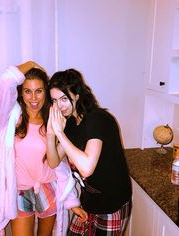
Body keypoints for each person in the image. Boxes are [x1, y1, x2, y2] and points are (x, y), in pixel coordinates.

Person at [0, 61, 87, 236]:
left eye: (39, 91)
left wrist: (72, 202)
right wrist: (31, 64)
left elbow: (61, 164)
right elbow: (6, 81)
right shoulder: (10, 118)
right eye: (27, 91)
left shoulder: (54, 119)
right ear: (21, 94)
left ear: (46, 91)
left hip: (48, 189)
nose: (34, 98)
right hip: (21, 192)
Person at [46, 68, 132, 235]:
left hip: (112, 204)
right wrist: (51, 134)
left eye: (64, 98)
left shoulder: (97, 119)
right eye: (54, 100)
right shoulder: (70, 122)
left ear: (77, 95)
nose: (59, 106)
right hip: (89, 202)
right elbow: (53, 162)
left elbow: (86, 168)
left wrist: (60, 133)